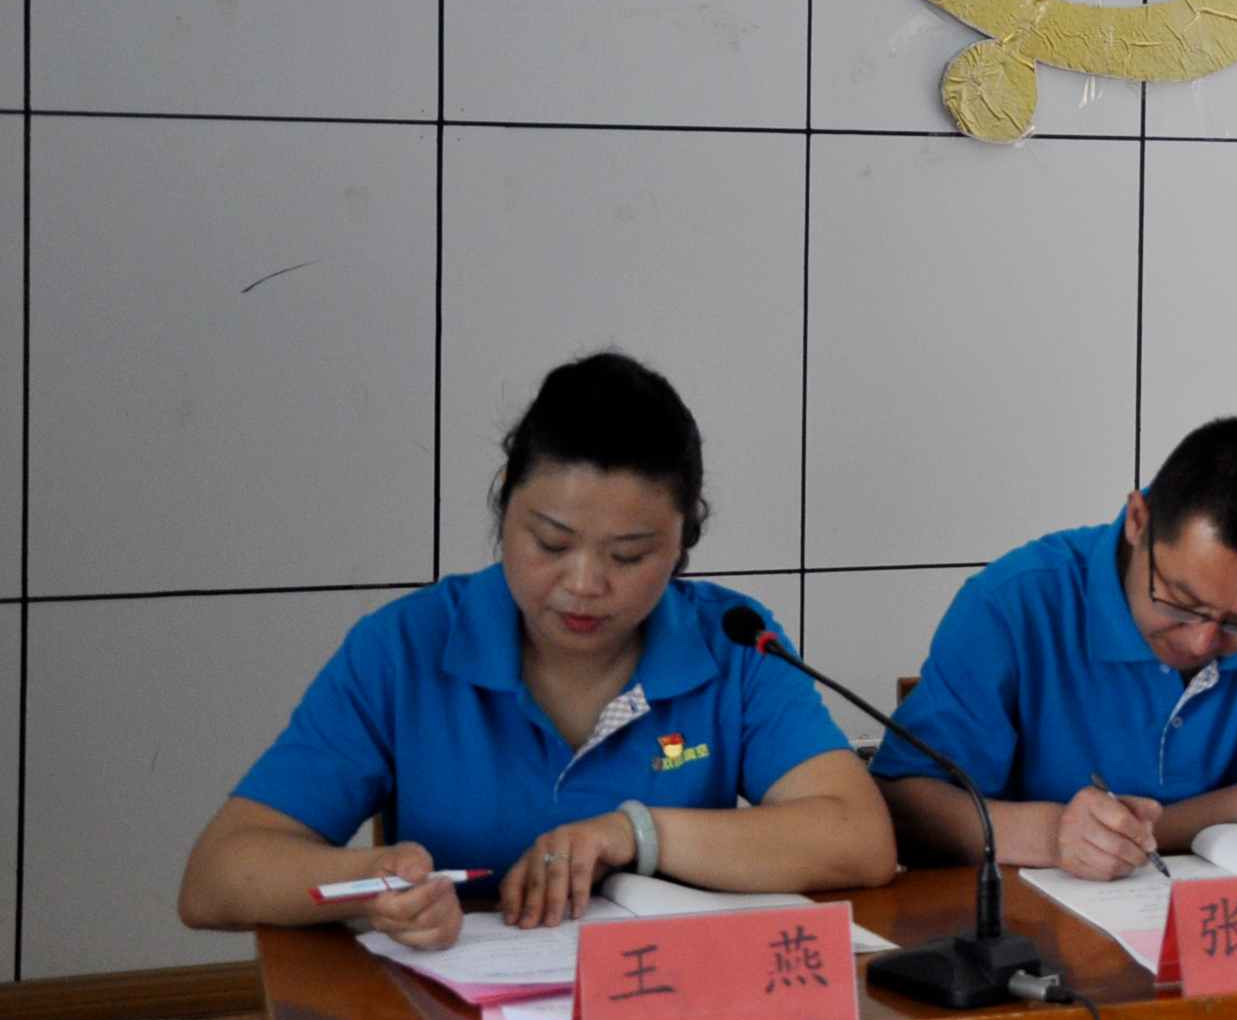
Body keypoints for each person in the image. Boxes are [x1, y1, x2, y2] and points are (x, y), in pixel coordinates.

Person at [178, 352, 894, 950]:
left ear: (685, 541)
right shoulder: (406, 648)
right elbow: (217, 876)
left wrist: (635, 833)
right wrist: (372, 883)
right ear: (504, 504)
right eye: (551, 543)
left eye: (629, 555)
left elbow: (860, 838)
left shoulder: (731, 641)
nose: (584, 584)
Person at [877, 416, 1237, 879]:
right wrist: (1053, 836)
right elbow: (903, 807)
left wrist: (1132, 835)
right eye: (1181, 602)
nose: (1202, 642)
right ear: (1137, 520)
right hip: (1033, 919)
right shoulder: (1016, 600)